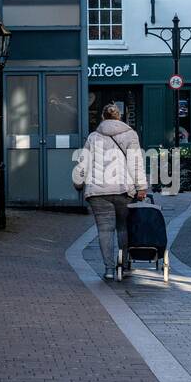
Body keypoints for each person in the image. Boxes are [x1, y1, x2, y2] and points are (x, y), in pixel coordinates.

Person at [74, 105, 148, 281]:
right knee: (123, 227)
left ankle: (108, 269)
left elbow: (83, 162)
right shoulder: (131, 135)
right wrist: (141, 187)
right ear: (120, 116)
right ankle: (124, 264)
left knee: (104, 230)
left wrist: (78, 181)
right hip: (124, 190)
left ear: (102, 117)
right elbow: (135, 162)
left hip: (98, 192)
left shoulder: (93, 137)